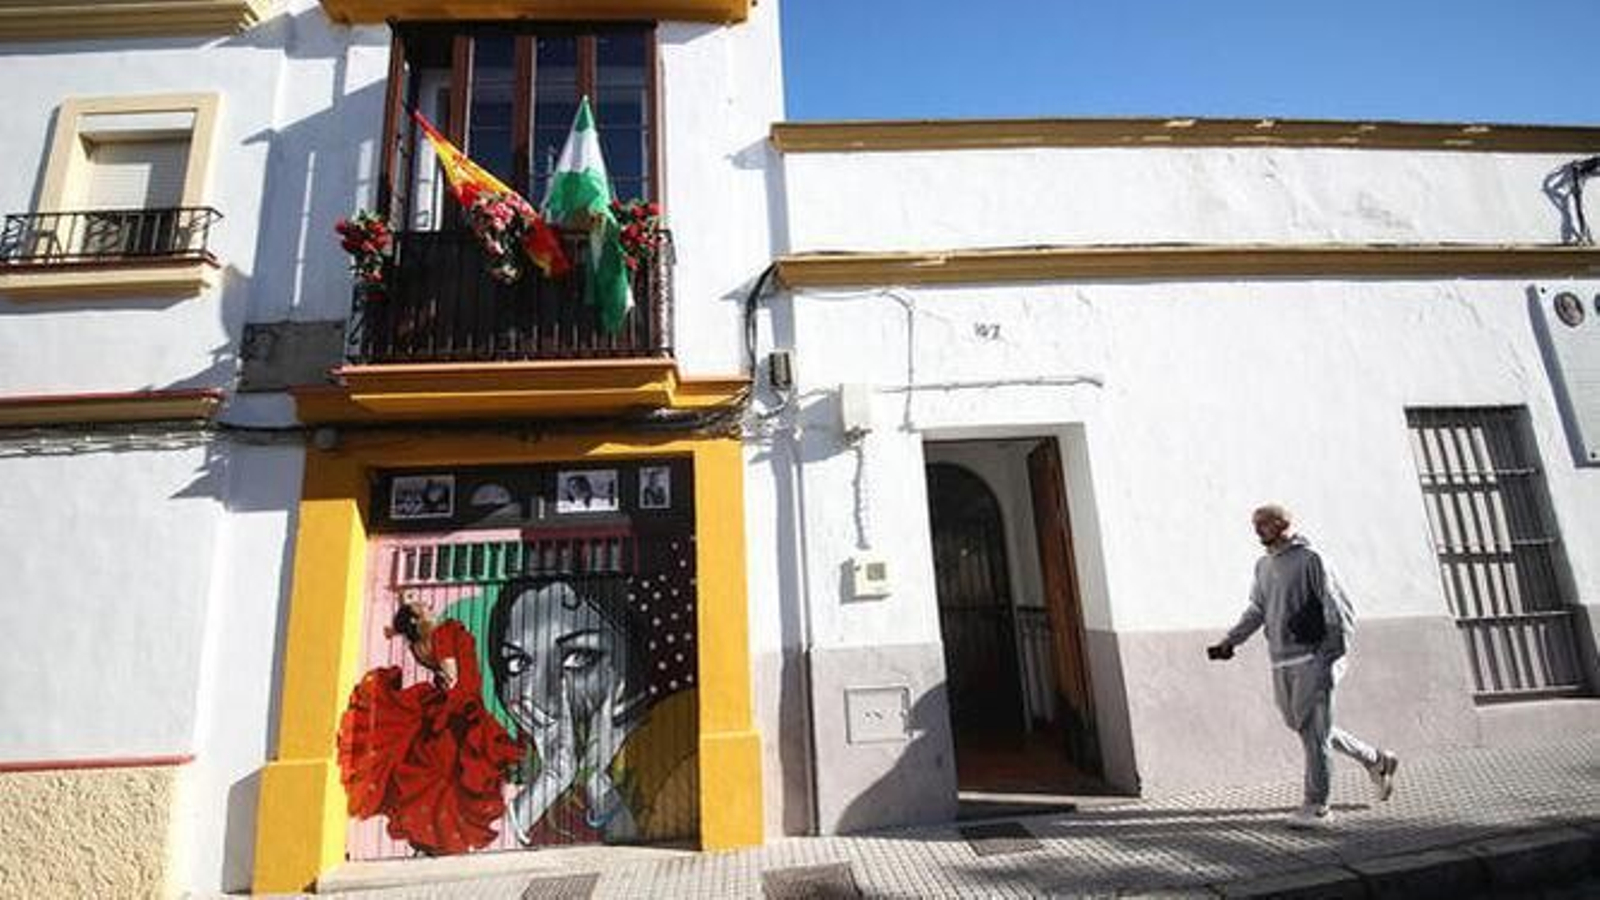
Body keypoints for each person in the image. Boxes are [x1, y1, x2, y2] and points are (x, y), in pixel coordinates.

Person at [1207, 504, 1400, 829]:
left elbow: (1339, 610)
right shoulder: (1263, 567)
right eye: (1254, 525)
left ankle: (1317, 806)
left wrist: (1328, 658)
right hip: (1280, 659)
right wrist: (1231, 641)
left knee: (1314, 734)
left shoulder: (1312, 560)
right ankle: (1376, 760)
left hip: (1313, 659)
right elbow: (1257, 609)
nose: (1257, 531)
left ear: (1282, 524)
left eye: (1263, 524)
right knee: (1305, 726)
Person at [336, 601, 520, 855]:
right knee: (456, 774)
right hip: (460, 705)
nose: (427, 604)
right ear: (414, 620)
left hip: (451, 705)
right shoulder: (445, 632)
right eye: (419, 606)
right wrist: (455, 693)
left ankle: (433, 839)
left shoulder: (417, 647)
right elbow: (451, 674)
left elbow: (443, 674)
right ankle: (441, 838)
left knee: (442, 776)